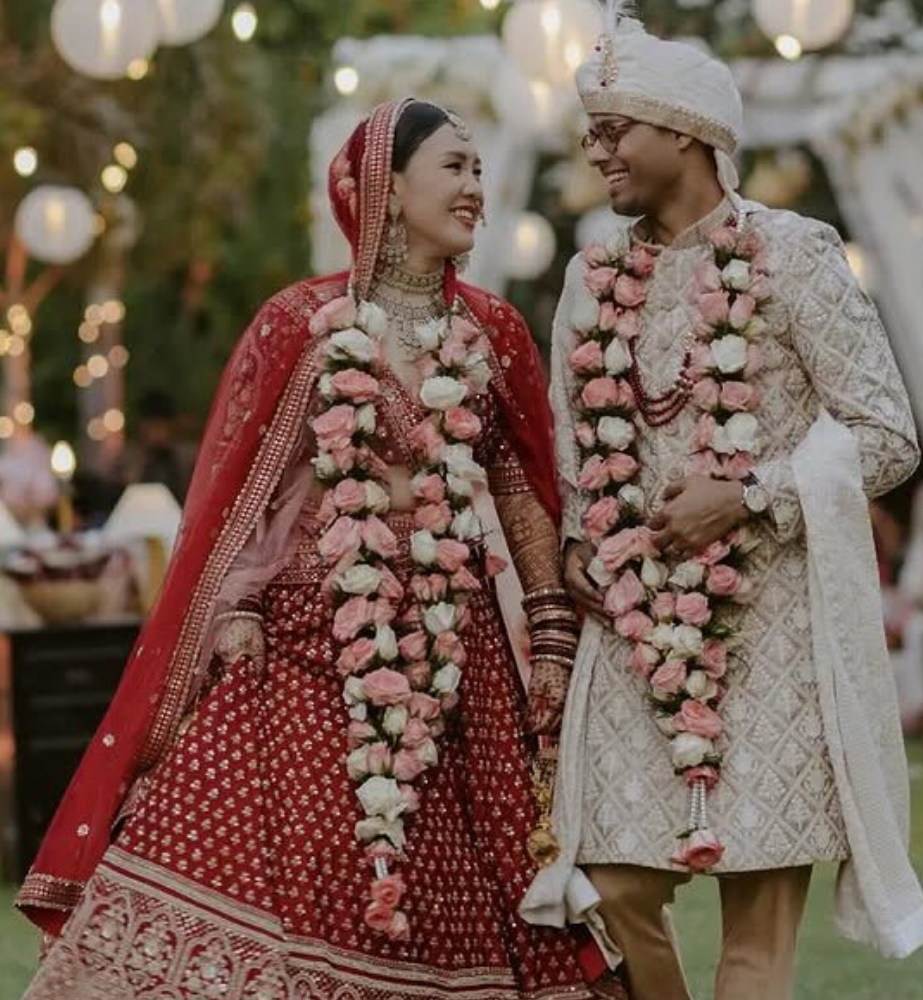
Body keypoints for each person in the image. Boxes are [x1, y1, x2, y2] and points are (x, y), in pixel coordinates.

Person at [16, 98, 599, 1000]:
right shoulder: (303, 321)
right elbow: (245, 493)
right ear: (387, 188)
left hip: (456, 653)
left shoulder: (493, 330)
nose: (476, 189)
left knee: (451, 876)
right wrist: (240, 607)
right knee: (298, 858)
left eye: (480, 169)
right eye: (455, 167)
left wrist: (552, 635)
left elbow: (521, 488)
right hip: (306, 639)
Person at [521, 8, 923, 1000]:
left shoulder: (793, 254)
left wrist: (748, 494)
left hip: (771, 632)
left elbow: (885, 433)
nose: (595, 151)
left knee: (755, 935)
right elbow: (571, 445)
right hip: (631, 633)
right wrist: (576, 539)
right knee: (612, 887)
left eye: (614, 129)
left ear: (685, 132)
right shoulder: (590, 279)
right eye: (591, 132)